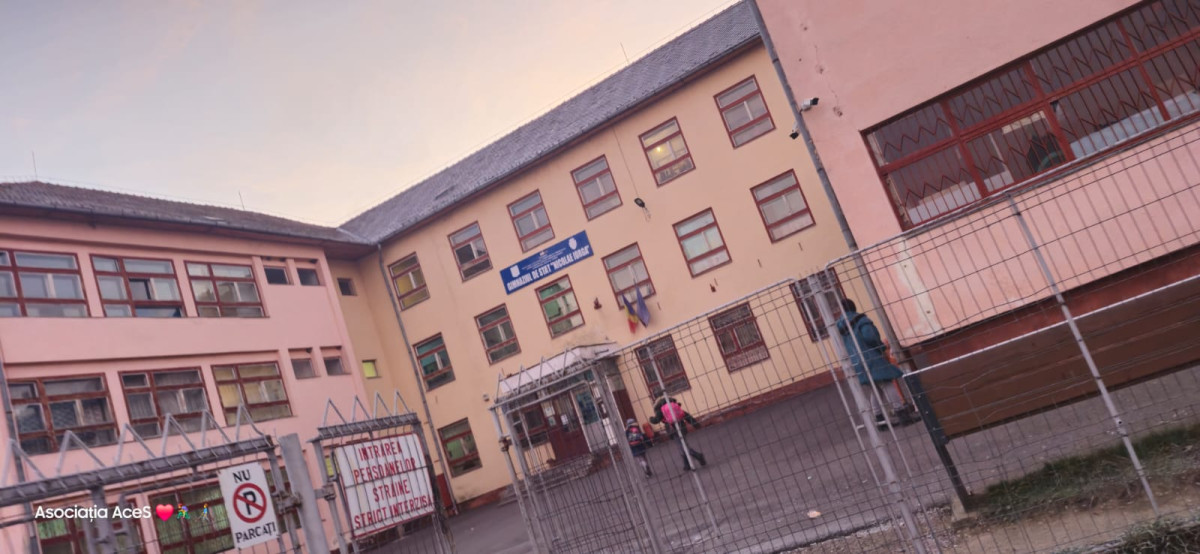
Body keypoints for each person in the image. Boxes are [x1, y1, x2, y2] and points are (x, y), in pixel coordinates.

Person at [836, 298, 912, 428]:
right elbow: (871, 337)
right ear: (853, 307)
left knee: (875, 388)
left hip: (855, 361)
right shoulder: (861, 320)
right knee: (886, 383)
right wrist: (881, 347)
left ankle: (879, 420)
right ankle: (902, 414)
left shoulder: (838, 327)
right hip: (871, 358)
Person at [649, 397, 707, 471]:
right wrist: (695, 424)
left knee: (682, 447)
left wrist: (651, 419)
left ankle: (698, 456)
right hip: (682, 428)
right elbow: (686, 415)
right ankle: (687, 465)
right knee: (683, 445)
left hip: (673, 430)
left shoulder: (661, 409)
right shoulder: (674, 405)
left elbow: (656, 420)